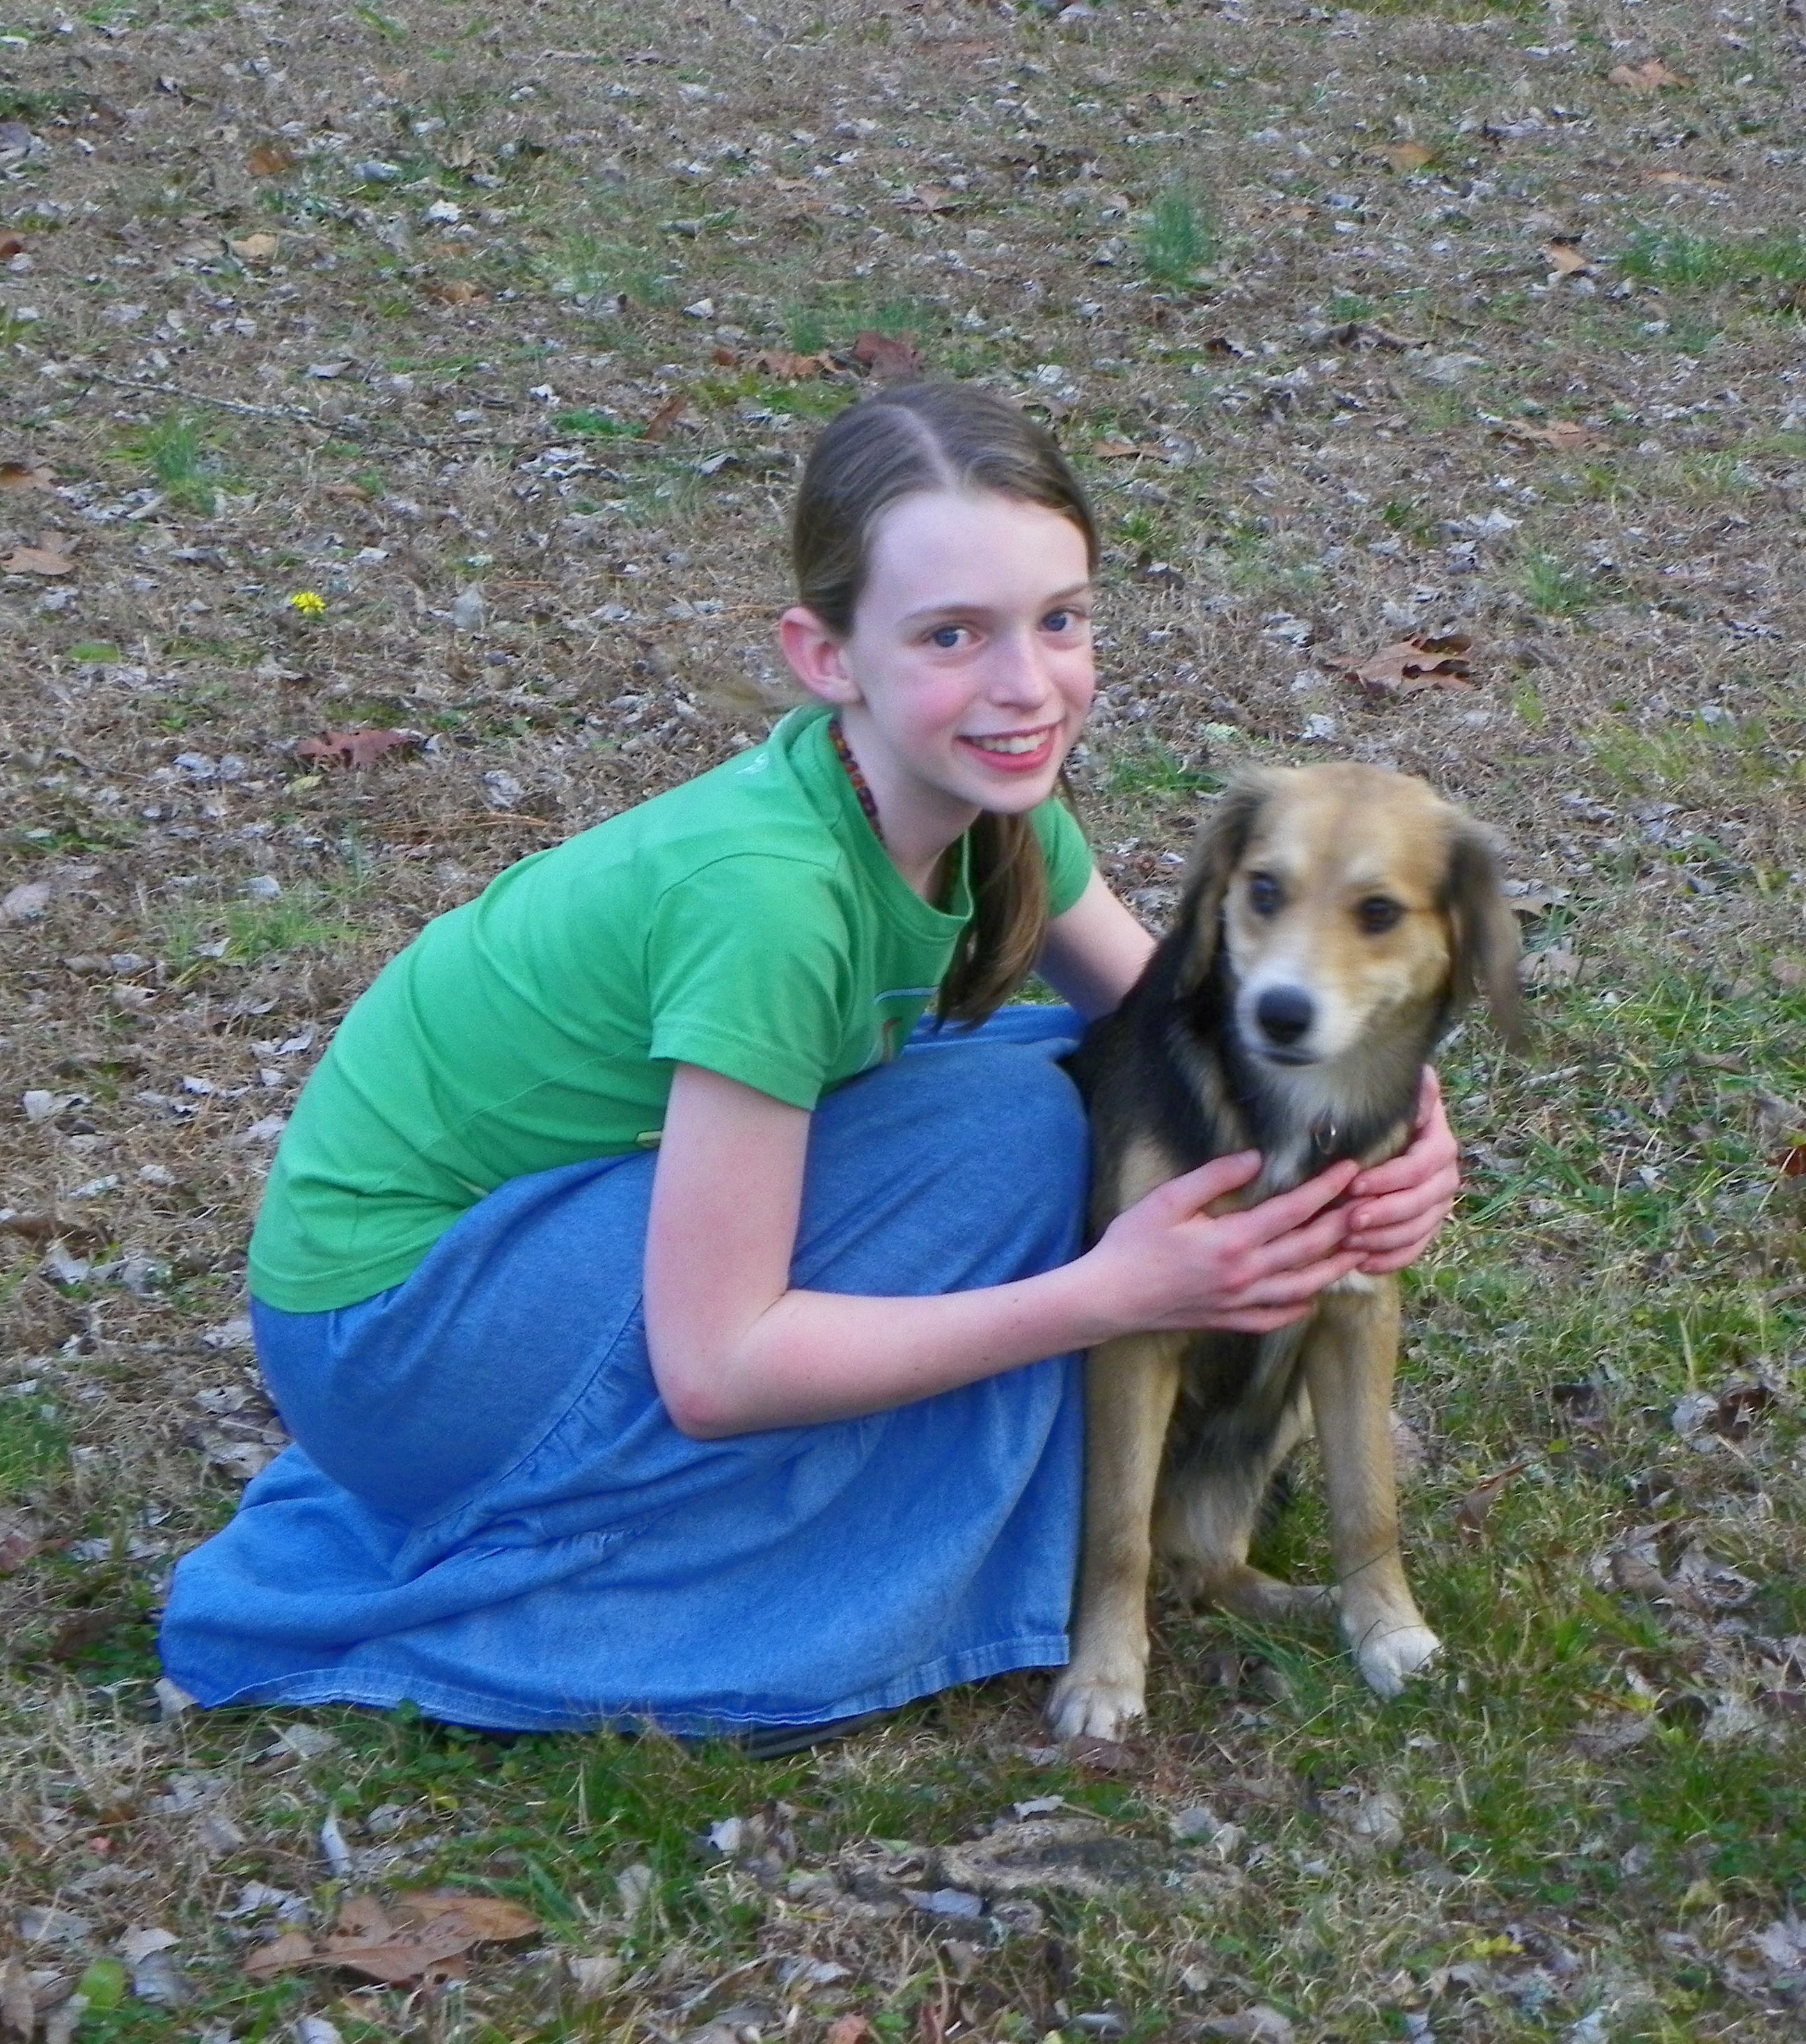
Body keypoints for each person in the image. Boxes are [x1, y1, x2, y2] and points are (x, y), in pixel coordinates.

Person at [156, 382, 1462, 1744]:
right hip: (391, 1338)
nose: (1026, 685)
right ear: (825, 654)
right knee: (1018, 1133)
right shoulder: (769, 901)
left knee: (1062, 1078)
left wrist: (1394, 1138)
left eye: (1059, 620)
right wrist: (1103, 1296)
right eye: (952, 633)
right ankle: (630, 1577)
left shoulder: (986, 798)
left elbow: (1179, 1030)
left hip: (528, 1240)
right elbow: (718, 1369)